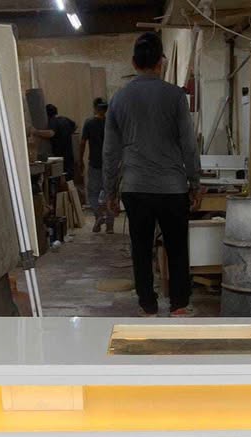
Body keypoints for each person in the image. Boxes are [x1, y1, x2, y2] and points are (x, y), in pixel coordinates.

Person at [103, 32, 202, 317]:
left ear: (134, 63)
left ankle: (147, 307)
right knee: (177, 248)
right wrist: (195, 183)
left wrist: (110, 191)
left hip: (136, 188)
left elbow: (110, 151)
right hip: (173, 188)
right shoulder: (176, 96)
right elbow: (188, 144)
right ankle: (179, 306)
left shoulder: (118, 99)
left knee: (141, 249)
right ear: (161, 62)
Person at [81, 97, 114, 234]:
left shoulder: (89, 123)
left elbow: (82, 143)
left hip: (95, 163)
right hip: (110, 164)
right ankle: (110, 226)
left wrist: (80, 160)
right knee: (110, 194)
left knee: (93, 194)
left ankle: (99, 216)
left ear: (95, 108)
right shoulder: (111, 123)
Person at [34, 104, 77, 181]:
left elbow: (51, 133)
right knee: (69, 178)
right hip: (69, 153)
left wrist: (36, 132)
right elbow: (75, 126)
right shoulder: (65, 119)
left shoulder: (53, 121)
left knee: (60, 179)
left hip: (59, 155)